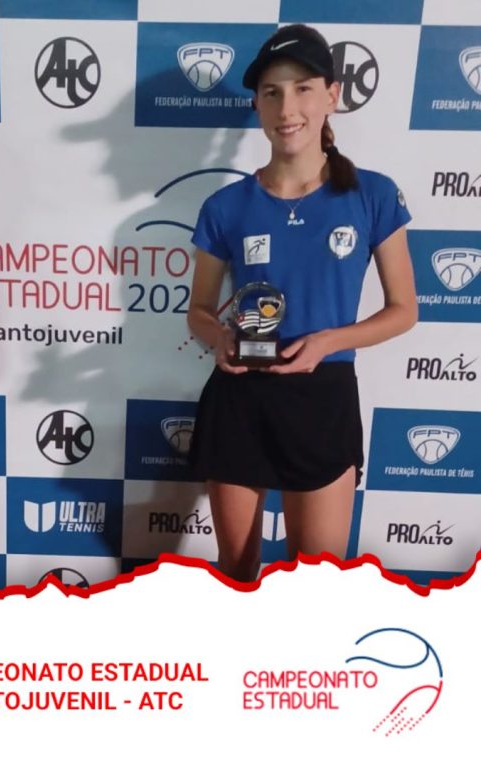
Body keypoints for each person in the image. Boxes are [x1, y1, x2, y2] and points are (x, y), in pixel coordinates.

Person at [186, 25, 417, 582]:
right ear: (258, 104)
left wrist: (329, 341)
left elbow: (404, 310)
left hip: (323, 398)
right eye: (272, 93)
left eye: (303, 89)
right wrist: (220, 338)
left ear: (331, 95)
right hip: (241, 396)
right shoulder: (225, 206)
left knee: (317, 582)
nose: (287, 108)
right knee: (236, 575)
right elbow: (199, 311)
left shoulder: (372, 195)